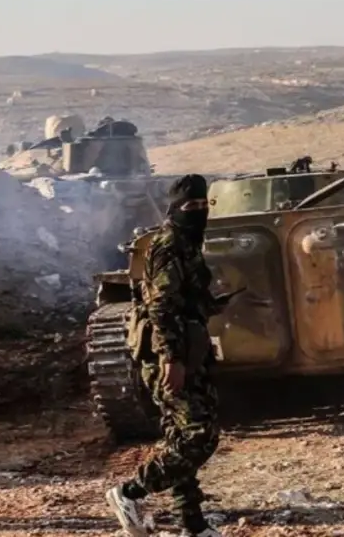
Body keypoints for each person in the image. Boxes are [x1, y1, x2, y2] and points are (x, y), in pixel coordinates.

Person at [107, 174, 224, 537]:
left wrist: (208, 305)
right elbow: (161, 308)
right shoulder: (169, 244)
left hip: (188, 350)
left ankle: (193, 525)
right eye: (191, 206)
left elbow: (183, 298)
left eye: (204, 205)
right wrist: (171, 359)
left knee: (180, 439)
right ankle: (130, 492)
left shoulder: (188, 242)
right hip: (169, 356)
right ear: (175, 208)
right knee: (199, 436)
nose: (199, 211)